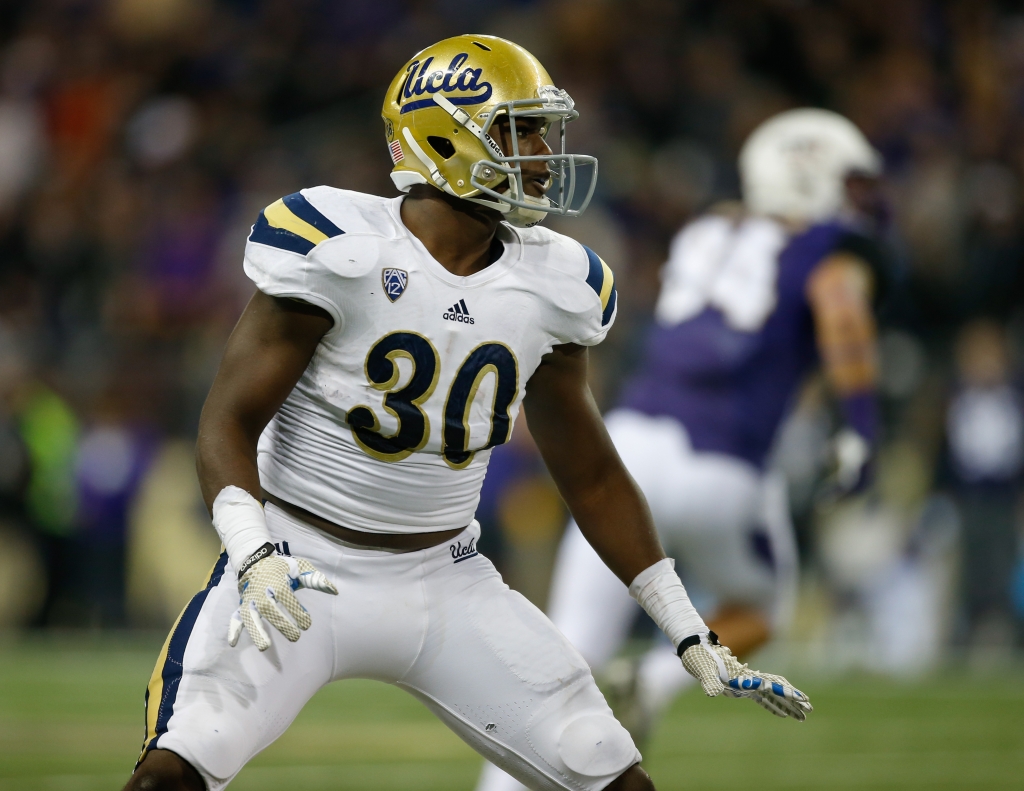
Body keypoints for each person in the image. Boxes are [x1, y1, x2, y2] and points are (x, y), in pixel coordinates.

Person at [123, 36, 810, 791]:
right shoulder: (337, 244)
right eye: (520, 130)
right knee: (171, 773)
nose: (544, 152)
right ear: (440, 135)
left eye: (544, 130)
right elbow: (227, 420)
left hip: (445, 579)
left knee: (611, 773)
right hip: (297, 564)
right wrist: (253, 554)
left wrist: (687, 629)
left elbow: (593, 475)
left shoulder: (555, 282)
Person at [479, 107, 881, 791]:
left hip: (630, 443)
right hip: (723, 461)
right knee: (764, 606)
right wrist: (861, 428)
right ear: (812, 179)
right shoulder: (828, 249)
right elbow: (840, 307)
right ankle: (659, 680)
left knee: (569, 651)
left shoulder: (707, 226)